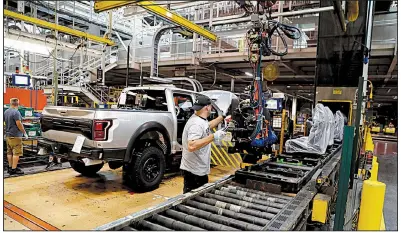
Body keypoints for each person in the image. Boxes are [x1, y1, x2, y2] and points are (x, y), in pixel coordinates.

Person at [180, 95, 231, 193]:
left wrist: (222, 118)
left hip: (196, 168)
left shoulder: (199, 118)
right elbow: (192, 145)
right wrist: (214, 136)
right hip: (194, 171)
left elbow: (207, 126)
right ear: (208, 107)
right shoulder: (196, 124)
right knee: (193, 199)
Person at [4, 98, 28, 175]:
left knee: (9, 152)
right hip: (16, 136)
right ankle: (14, 170)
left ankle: (10, 167)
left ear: (10, 103)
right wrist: (24, 132)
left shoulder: (6, 111)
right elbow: (19, 124)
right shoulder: (16, 112)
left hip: (8, 135)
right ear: (18, 103)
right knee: (16, 153)